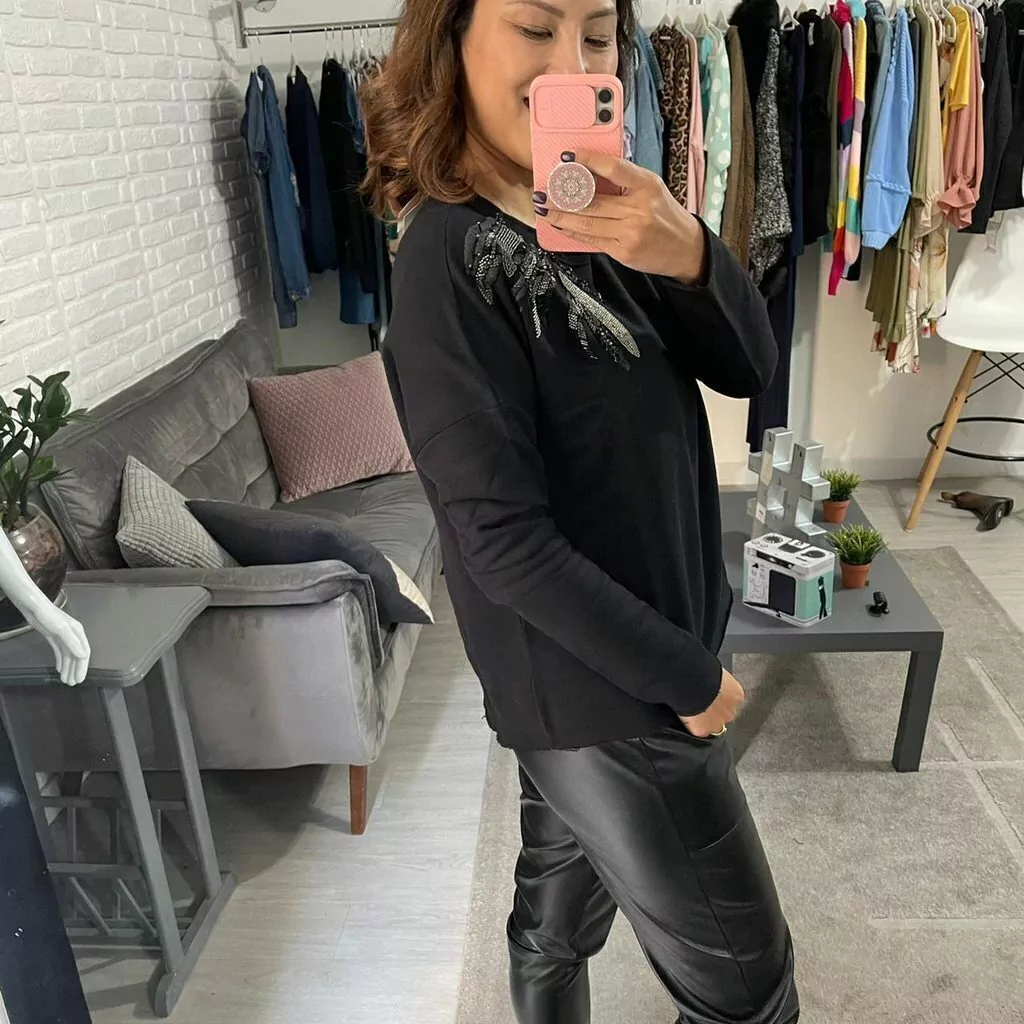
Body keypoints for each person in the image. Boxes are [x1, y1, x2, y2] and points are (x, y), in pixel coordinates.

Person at [362, 2, 800, 1022]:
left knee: (553, 924)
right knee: (750, 993)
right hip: (611, 696)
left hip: (619, 665)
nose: (573, 62)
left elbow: (749, 367)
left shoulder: (595, 207)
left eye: (597, 35)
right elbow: (499, 540)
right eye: (535, 28)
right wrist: (691, 680)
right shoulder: (447, 264)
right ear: (451, 42)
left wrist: (689, 249)